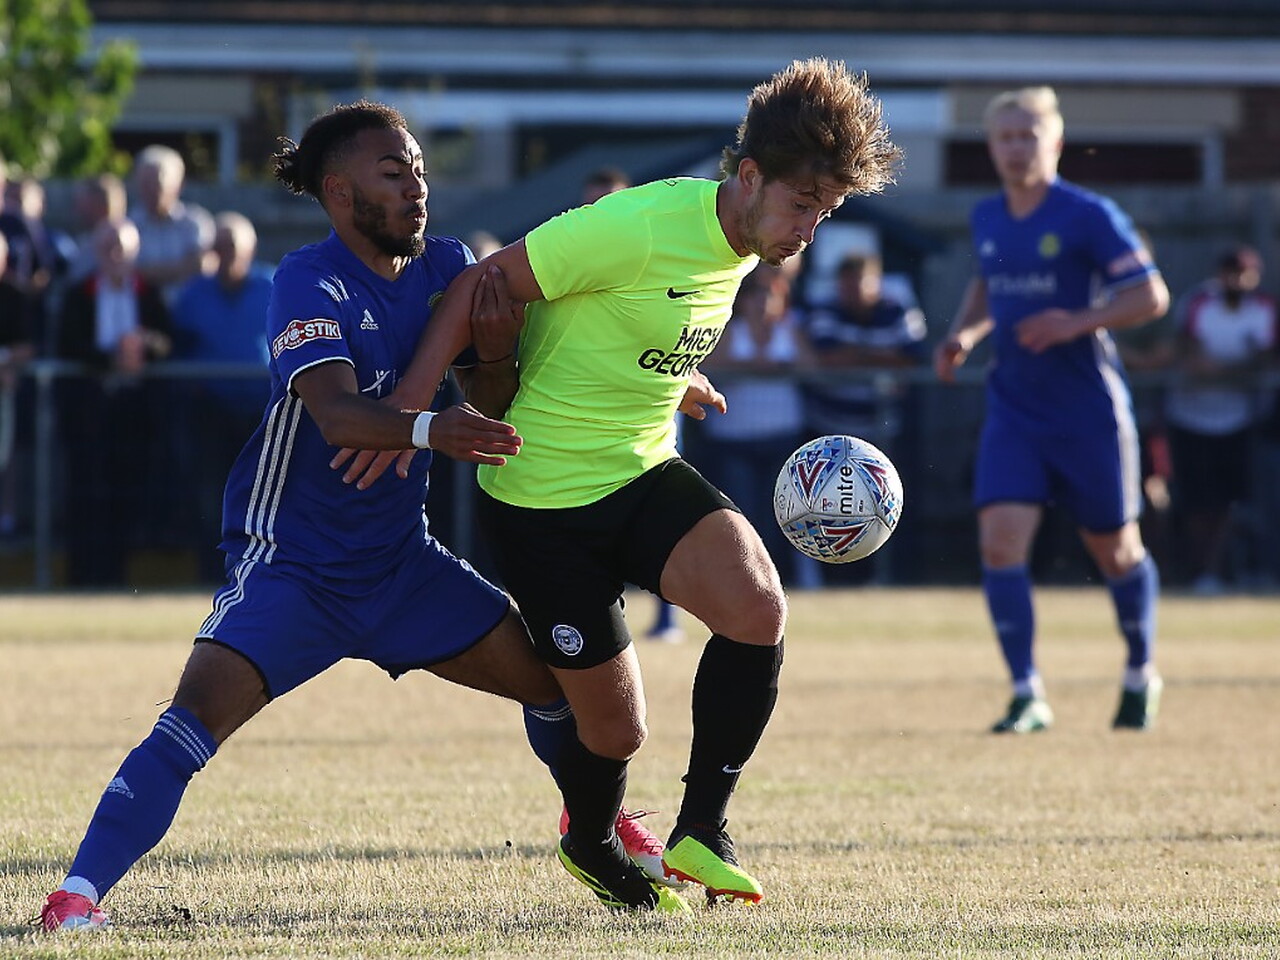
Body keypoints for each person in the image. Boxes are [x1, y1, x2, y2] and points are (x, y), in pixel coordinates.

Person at [38, 100, 688, 933]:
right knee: (192, 719)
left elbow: (494, 398)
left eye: (419, 170)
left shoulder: (446, 265)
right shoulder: (305, 279)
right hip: (294, 566)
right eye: (394, 172)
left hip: (401, 567)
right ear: (340, 193)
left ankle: (593, 820)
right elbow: (339, 417)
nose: (417, 187)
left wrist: (494, 356)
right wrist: (432, 428)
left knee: (556, 687)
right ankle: (75, 898)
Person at [338, 59, 900, 908]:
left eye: (826, 213)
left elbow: (622, 322)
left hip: (640, 470)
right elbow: (478, 286)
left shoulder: (744, 244)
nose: (809, 231)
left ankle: (701, 830)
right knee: (616, 730)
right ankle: (592, 844)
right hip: (541, 502)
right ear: (750, 176)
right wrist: (411, 409)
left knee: (757, 608)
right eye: (803, 204)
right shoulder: (636, 224)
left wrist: (677, 379)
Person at [933, 86, 1170, 734]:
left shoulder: (1088, 214)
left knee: (1115, 552)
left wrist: (1076, 321)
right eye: (1005, 137)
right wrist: (964, 334)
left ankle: (1140, 671)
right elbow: (987, 284)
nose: (1016, 148)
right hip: (1015, 411)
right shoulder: (988, 216)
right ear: (991, 146)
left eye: (1028, 136)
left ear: (1055, 142)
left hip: (1088, 413)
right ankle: (1026, 692)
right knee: (999, 542)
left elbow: (1150, 295)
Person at [797, 250, 927, 585]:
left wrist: (856, 354)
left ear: (876, 282)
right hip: (829, 436)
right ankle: (834, 578)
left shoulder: (897, 310)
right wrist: (879, 356)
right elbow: (827, 357)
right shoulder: (825, 309)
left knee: (882, 508)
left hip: (882, 435)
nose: (853, 291)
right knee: (830, 512)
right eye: (847, 284)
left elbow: (912, 358)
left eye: (860, 283)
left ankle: (886, 577)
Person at [55, 218, 172, 587]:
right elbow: (68, 345)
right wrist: (110, 359)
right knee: (86, 494)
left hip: (134, 410)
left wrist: (143, 347)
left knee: (128, 492)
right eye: (108, 248)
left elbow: (166, 341)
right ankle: (82, 577)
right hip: (90, 411)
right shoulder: (79, 294)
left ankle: (117, 577)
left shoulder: (148, 293)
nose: (115, 255)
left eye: (121, 248)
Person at [696, 260, 820, 588]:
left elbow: (812, 367)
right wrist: (755, 366)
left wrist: (778, 366)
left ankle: (780, 580)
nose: (763, 303)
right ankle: (742, 582)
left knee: (782, 517)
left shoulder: (790, 329)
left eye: (770, 296)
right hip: (733, 441)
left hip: (782, 438)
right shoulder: (730, 331)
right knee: (741, 515)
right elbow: (711, 368)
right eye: (756, 296)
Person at [1163, 245, 1277, 593]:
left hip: (1239, 420)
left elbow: (1265, 359)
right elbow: (1193, 358)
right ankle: (1197, 571)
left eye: (1244, 274)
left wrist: (1225, 371)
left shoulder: (1265, 308)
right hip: (1191, 417)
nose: (1237, 281)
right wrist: (1234, 369)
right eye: (1231, 273)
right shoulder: (1199, 304)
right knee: (1197, 500)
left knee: (1229, 500)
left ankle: (1214, 570)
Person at [169, 211, 275, 582]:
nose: (227, 254)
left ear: (250, 249)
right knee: (211, 494)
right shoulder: (193, 295)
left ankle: (261, 574)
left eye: (233, 246)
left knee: (263, 496)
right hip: (210, 410)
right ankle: (211, 574)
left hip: (262, 412)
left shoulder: (273, 286)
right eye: (220, 246)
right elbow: (178, 348)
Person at [129, 144, 216, 306]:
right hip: (144, 313)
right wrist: (183, 268)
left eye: (157, 184)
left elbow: (204, 265)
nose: (151, 190)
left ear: (179, 184)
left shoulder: (195, 222)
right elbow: (126, 273)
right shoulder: (127, 226)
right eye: (145, 183)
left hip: (190, 309)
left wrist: (149, 273)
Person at [0, 231, 35, 540]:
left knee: (5, 456)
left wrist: (4, 360)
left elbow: (27, 347)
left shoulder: (14, 295)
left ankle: (7, 517)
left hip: (4, 389)